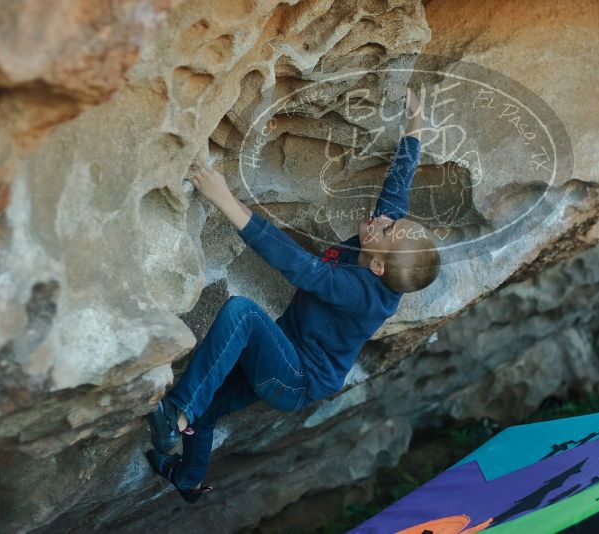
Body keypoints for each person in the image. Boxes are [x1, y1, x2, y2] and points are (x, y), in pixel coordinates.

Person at [145, 87, 440, 502]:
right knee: (210, 410)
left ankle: (176, 414)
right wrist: (416, 122)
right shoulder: (380, 244)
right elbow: (398, 184)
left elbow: (301, 267)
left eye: (387, 229)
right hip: (284, 352)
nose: (383, 219)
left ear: (378, 266)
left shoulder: (363, 292)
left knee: (243, 314)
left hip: (295, 378)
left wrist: (224, 199)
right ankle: (189, 480)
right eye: (392, 220)